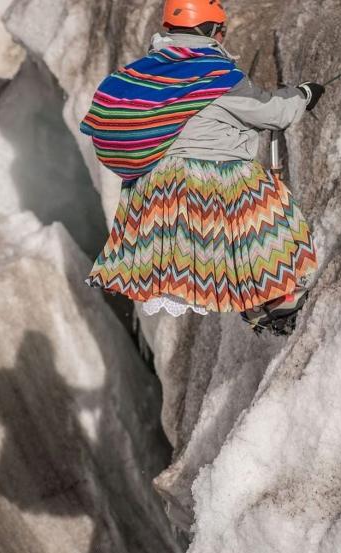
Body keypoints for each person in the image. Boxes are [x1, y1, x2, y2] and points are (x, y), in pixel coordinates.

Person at [81, 0, 323, 335]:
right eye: (222, 30)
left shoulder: (140, 74)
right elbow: (273, 113)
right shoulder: (219, 74)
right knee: (272, 229)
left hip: (155, 191)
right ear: (213, 30)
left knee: (201, 251)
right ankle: (275, 299)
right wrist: (304, 95)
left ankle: (257, 300)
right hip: (213, 182)